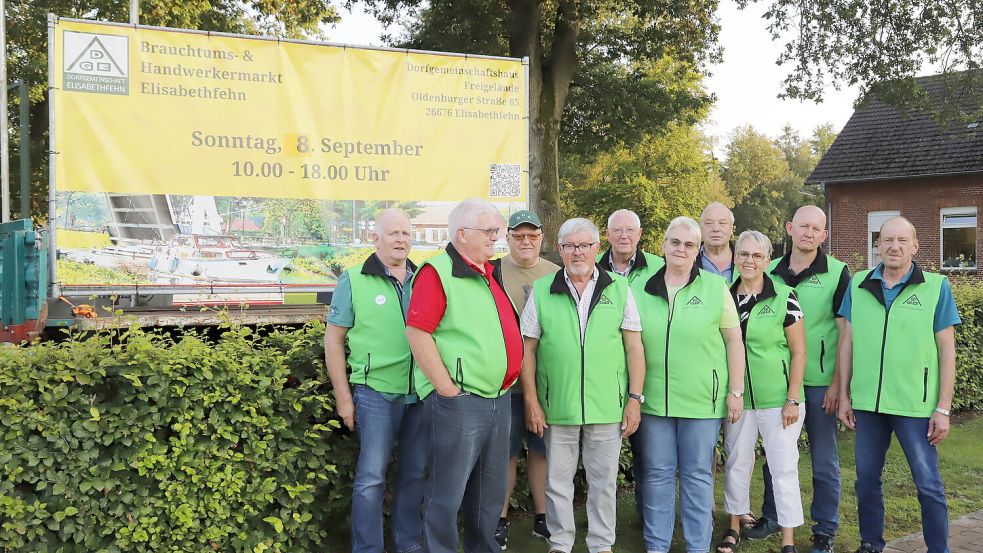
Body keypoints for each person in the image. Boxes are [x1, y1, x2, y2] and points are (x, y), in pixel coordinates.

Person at [521, 217, 646, 553]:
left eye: (584, 245)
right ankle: (560, 544)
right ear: (560, 250)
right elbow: (527, 349)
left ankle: (601, 545)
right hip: (556, 407)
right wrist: (531, 400)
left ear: (596, 249)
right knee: (557, 483)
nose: (577, 252)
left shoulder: (619, 289)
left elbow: (634, 347)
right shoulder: (542, 290)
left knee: (603, 484)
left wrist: (634, 398)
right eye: (570, 246)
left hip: (607, 406)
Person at [405, 198, 523, 553]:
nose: (496, 238)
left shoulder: (486, 273)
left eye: (497, 231)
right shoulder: (437, 272)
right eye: (489, 231)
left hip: (496, 401)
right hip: (462, 403)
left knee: (488, 494)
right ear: (461, 234)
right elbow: (417, 332)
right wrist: (447, 389)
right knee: (447, 494)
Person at [837, 217, 960, 553]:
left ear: (915, 246)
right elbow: (846, 343)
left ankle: (939, 549)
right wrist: (845, 395)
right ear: (878, 245)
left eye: (902, 240)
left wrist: (943, 407)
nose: (894, 246)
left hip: (915, 406)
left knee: (928, 484)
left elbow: (947, 350)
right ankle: (870, 544)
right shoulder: (859, 283)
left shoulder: (936, 286)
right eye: (887, 240)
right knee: (865, 482)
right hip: (868, 404)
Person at [632, 216, 746, 553]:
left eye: (689, 244)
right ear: (663, 245)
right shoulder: (638, 288)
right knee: (657, 475)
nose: (681, 249)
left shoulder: (715, 288)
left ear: (698, 251)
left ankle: (697, 546)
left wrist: (735, 392)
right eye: (675, 242)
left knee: (698, 477)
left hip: (701, 403)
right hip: (654, 403)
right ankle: (657, 546)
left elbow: (734, 342)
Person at [747, 205, 851, 553]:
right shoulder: (769, 270)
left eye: (816, 228)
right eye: (802, 226)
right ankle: (773, 515)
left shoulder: (837, 273)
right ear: (790, 228)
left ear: (824, 235)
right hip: (777, 381)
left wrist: (838, 384)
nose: (808, 233)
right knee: (776, 455)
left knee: (823, 459)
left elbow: (844, 332)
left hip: (819, 381)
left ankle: (825, 529)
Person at [324, 209, 427, 553]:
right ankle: (367, 549)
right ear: (375, 238)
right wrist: (344, 398)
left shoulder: (425, 279)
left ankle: (407, 544)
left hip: (420, 393)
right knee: (371, 480)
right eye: (393, 233)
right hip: (375, 394)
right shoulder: (353, 280)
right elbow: (333, 341)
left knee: (414, 475)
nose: (401, 240)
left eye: (406, 234)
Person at [718, 231, 806, 553]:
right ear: (735, 257)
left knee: (783, 466)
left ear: (768, 260)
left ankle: (787, 539)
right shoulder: (724, 296)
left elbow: (799, 352)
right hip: (739, 398)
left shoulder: (785, 296)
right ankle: (733, 526)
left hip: (779, 401)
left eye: (757, 255)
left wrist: (792, 398)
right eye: (743, 254)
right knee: (737, 461)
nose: (749, 261)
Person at [494, 209, 559, 548]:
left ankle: (542, 517)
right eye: (518, 235)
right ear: (508, 237)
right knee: (504, 454)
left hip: (543, 384)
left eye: (532, 235)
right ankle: (500, 519)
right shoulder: (491, 271)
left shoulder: (555, 274)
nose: (525, 241)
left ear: (541, 238)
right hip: (503, 386)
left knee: (541, 452)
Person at [597, 208, 665, 285]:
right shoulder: (593, 265)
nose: (624, 236)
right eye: (617, 230)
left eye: (630, 230)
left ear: (639, 234)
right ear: (608, 234)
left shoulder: (660, 266)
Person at [699, 202, 736, 281]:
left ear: (731, 229)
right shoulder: (688, 260)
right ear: (700, 228)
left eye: (722, 223)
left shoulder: (745, 260)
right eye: (709, 223)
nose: (716, 229)